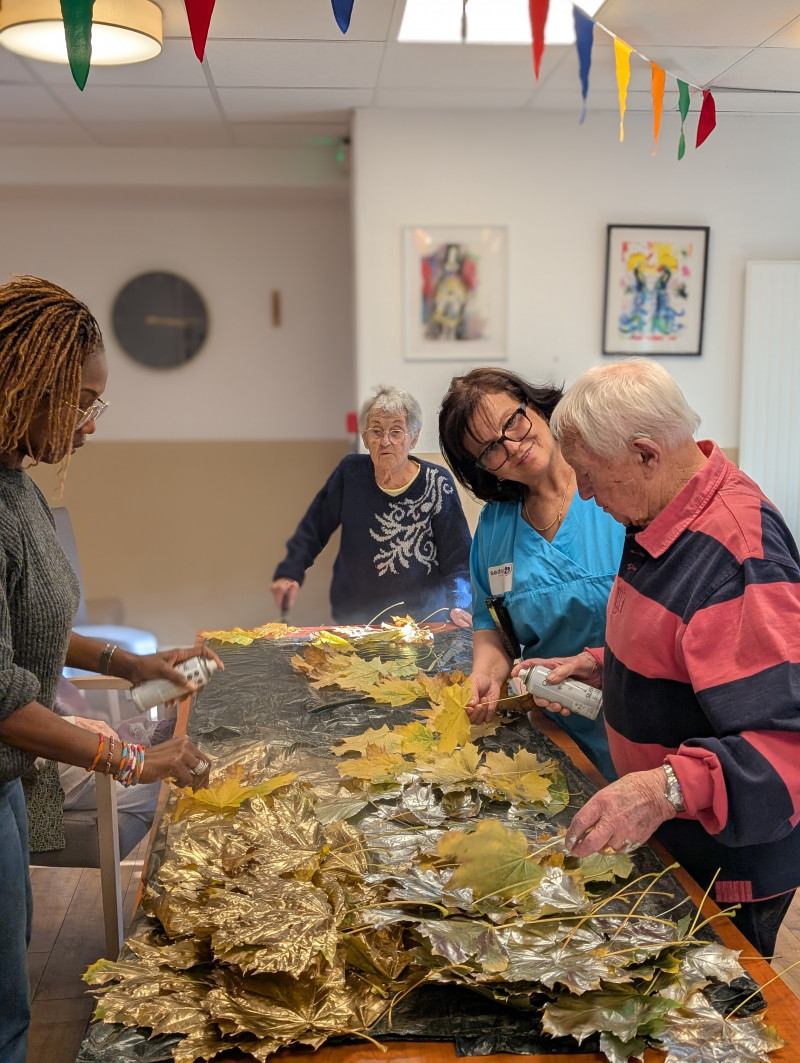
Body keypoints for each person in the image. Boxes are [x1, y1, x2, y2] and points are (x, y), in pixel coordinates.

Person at [0, 275, 221, 1063]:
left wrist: (126, 662)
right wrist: (132, 758)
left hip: (10, 785)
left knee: (10, 984)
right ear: (29, 384)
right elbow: (1, 697)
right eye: (84, 400)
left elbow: (31, 624)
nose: (91, 423)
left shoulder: (16, 488)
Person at [521, 358, 800, 956]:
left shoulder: (740, 558)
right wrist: (603, 663)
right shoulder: (662, 509)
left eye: (591, 476)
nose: (587, 495)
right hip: (677, 839)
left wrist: (662, 790)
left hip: (725, 864)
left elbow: (785, 747)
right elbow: (689, 641)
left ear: (647, 454)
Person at [438, 368, 624, 780]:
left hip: (648, 726)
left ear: (537, 407)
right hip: (561, 731)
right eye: (490, 450)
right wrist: (487, 674)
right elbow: (492, 624)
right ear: (487, 469)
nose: (511, 446)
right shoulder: (494, 529)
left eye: (511, 422)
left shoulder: (617, 489)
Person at [272, 385, 473, 627]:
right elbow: (314, 528)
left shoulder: (438, 483)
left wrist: (460, 604)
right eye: (376, 431)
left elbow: (458, 558)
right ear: (365, 438)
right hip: (356, 617)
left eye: (396, 432)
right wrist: (291, 571)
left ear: (414, 437)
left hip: (423, 620)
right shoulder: (350, 474)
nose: (385, 441)